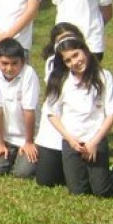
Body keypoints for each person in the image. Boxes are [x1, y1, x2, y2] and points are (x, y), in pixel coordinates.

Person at [44, 36, 113, 197]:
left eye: (76, 55)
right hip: (72, 143)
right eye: (68, 60)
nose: (74, 62)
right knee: (78, 192)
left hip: (95, 140)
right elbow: (51, 113)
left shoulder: (103, 76)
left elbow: (112, 114)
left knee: (102, 191)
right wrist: (69, 139)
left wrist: (94, 142)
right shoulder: (61, 80)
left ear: (85, 51)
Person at [33, 23, 86, 188]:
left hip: (80, 132)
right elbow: (51, 108)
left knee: (79, 182)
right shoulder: (53, 65)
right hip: (54, 132)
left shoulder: (90, 68)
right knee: (46, 180)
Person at [0, 39, 39, 178]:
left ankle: (28, 156)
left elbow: (29, 110)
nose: (9, 68)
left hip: (28, 136)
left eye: (15, 63)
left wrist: (29, 142)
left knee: (23, 173)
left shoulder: (29, 74)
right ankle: (11, 154)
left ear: (23, 61)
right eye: (4, 63)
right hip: (7, 138)